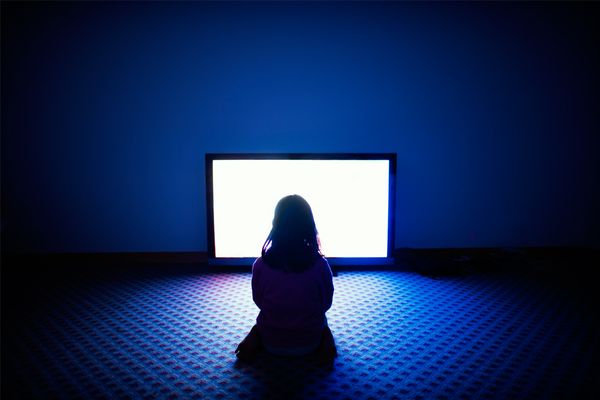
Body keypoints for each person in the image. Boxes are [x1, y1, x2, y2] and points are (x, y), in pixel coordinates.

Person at [235, 195, 337, 365]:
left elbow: (258, 301)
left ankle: (255, 337)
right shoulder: (320, 265)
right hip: (309, 343)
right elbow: (326, 303)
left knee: (263, 322)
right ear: (309, 225)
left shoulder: (261, 264)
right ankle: (325, 341)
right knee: (322, 323)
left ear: (276, 224)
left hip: (272, 343)